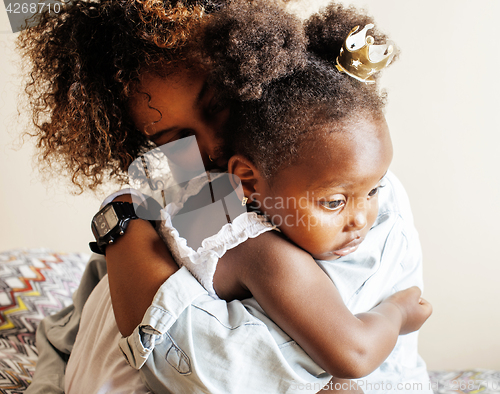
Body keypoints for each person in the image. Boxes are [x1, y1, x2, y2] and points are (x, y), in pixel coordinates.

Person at [17, 0, 431, 393]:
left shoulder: (352, 194)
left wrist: (125, 225)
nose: (212, 146)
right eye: (174, 138)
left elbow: (244, 366)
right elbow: (75, 324)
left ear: (251, 69)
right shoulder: (182, 193)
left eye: (215, 105)